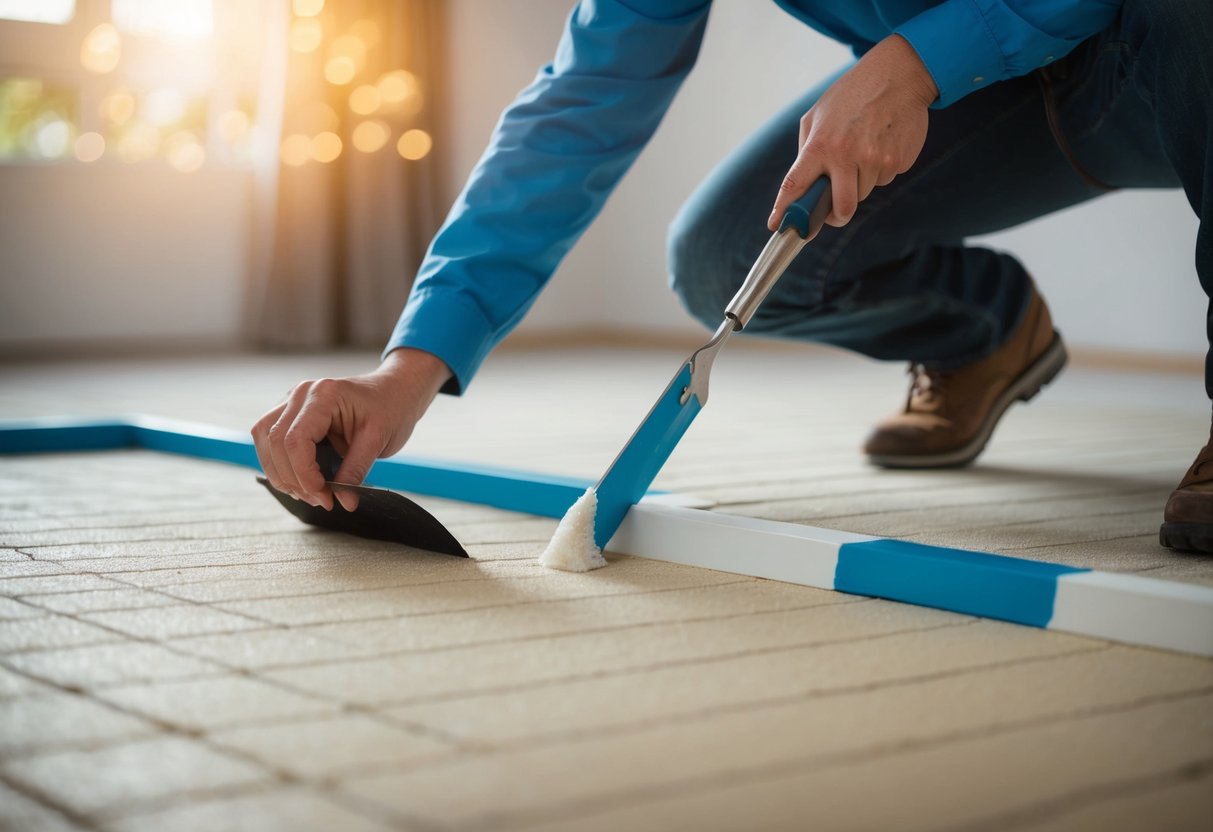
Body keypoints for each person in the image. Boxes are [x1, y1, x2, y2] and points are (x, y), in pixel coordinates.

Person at [252, 0, 1213, 552]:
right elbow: (581, 104)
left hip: (1154, 33)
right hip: (986, 100)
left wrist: (925, 57)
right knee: (720, 259)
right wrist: (408, 367)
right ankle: (986, 335)